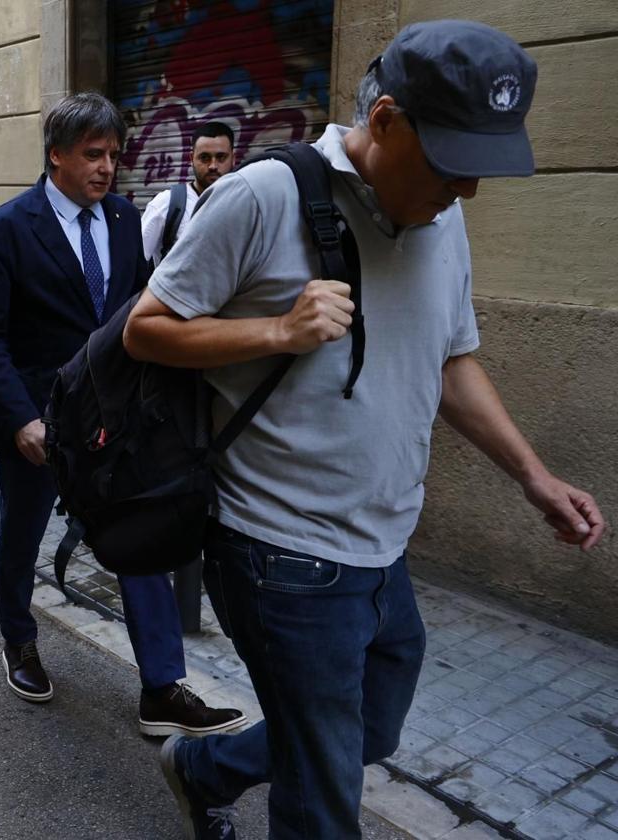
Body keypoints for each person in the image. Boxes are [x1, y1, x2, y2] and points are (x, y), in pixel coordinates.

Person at [123, 21, 607, 839]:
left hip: (384, 548)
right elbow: (147, 327)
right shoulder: (260, 195)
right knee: (322, 803)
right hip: (281, 553)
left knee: (369, 733)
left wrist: (533, 475)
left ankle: (204, 767)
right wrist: (276, 331)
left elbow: (451, 360)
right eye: (454, 163)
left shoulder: (440, 214)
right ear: (385, 121)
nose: (469, 192)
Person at [0, 92, 244, 738]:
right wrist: (22, 418)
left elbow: (135, 316)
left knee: (140, 536)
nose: (107, 167)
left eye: (114, 154)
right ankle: (19, 640)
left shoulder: (122, 220)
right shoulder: (6, 227)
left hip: (112, 425)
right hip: (35, 424)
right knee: (22, 537)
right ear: (56, 154)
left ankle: (161, 688)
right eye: (93, 154)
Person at [140, 122, 236, 266]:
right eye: (204, 158)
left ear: (233, 158)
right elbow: (134, 263)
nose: (213, 166)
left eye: (221, 157)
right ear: (191, 159)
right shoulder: (166, 204)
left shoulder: (244, 204)